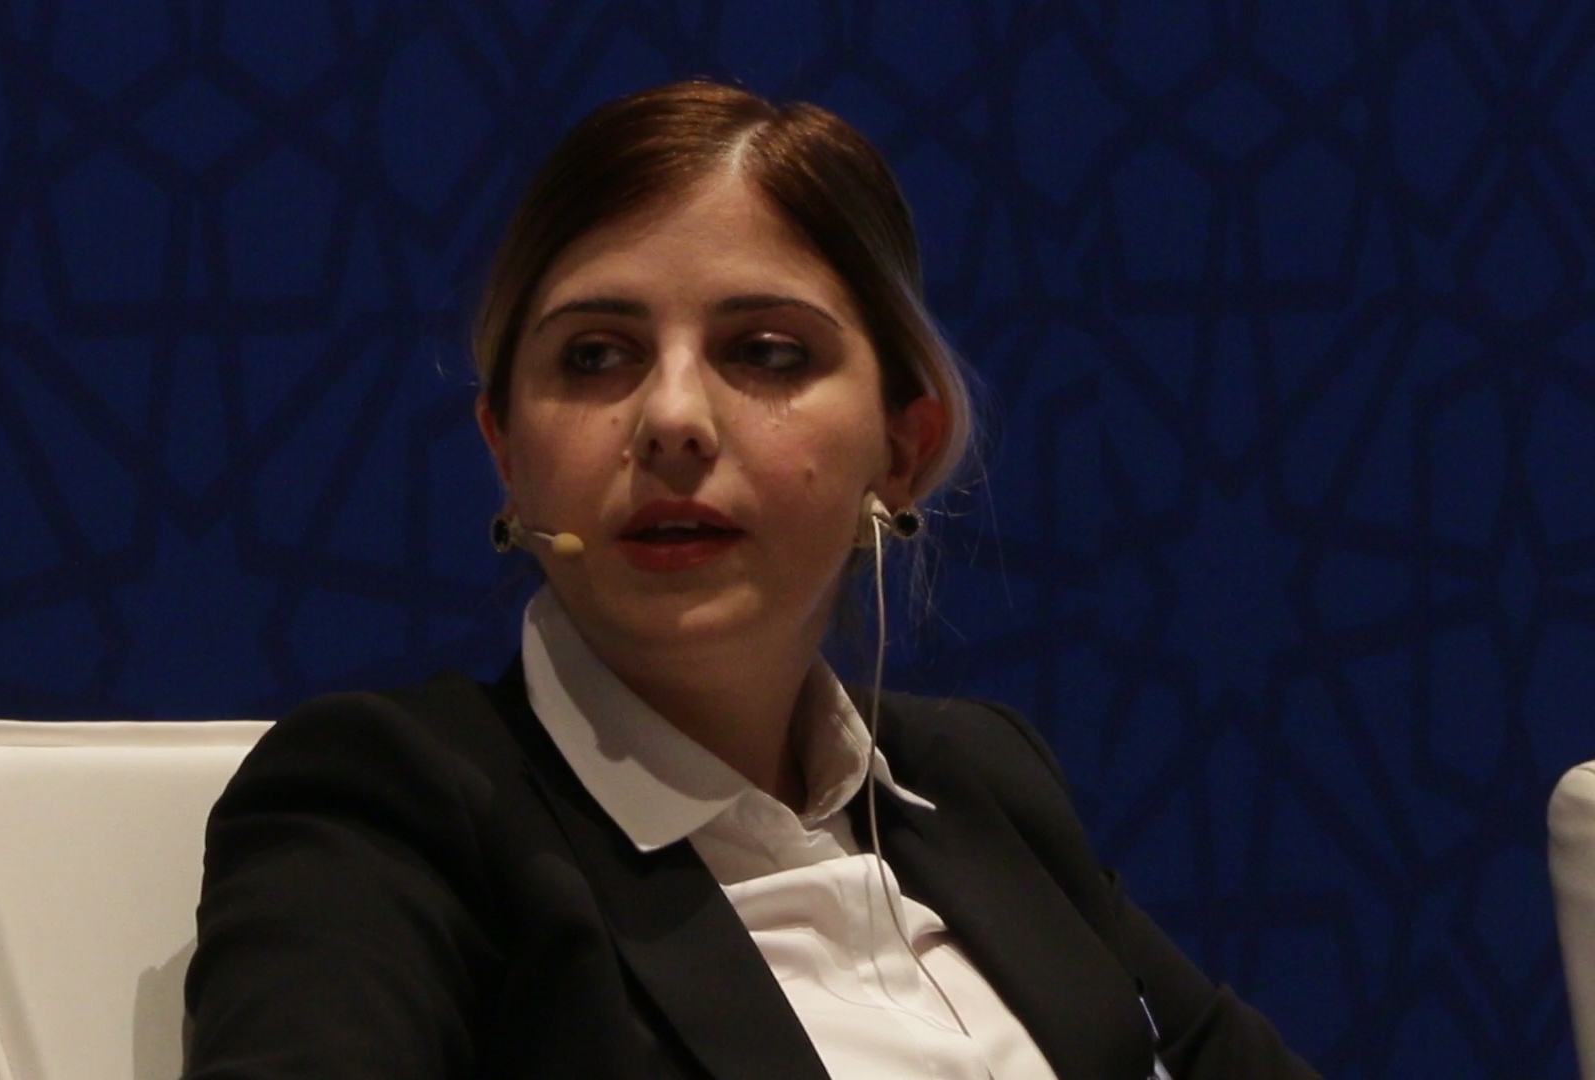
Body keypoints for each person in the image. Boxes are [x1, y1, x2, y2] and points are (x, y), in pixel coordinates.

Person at [182, 80, 1319, 1080]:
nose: (672, 418)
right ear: (506, 450)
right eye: (596, 355)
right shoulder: (389, 804)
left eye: (766, 352)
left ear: (902, 448)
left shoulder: (984, 782)